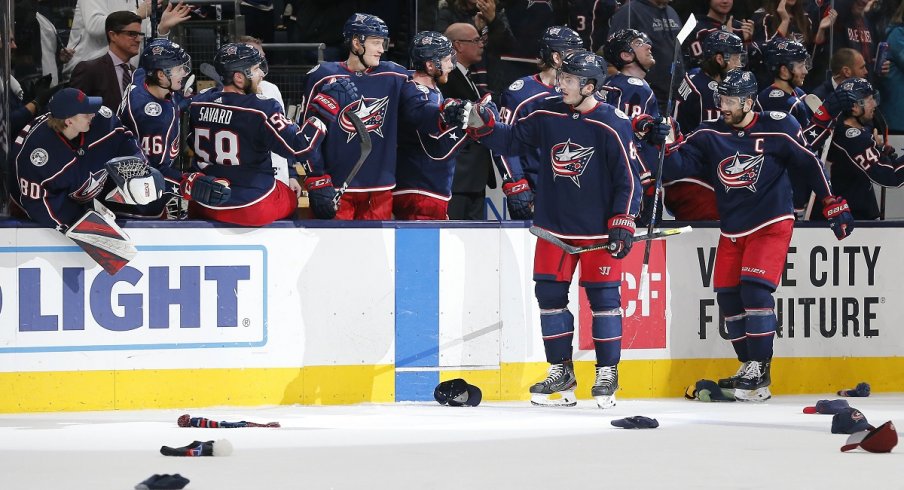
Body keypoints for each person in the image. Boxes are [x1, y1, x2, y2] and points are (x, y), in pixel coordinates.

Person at [654, 70, 854, 401]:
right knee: (727, 297)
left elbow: (808, 163)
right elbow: (675, 170)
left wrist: (831, 201)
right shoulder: (707, 133)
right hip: (732, 227)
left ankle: (760, 368)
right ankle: (750, 368)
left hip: (771, 221)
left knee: (755, 292)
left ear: (749, 101)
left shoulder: (779, 125)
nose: (724, 107)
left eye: (731, 101)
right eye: (721, 100)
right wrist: (665, 142)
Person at [467, 50, 642, 409]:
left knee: (604, 301)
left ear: (590, 85)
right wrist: (484, 125)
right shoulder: (546, 112)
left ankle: (607, 371)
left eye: (570, 80)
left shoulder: (613, 123)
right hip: (553, 228)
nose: (561, 84)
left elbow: (629, 179)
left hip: (596, 234)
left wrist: (623, 220)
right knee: (549, 298)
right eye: (561, 77)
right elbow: (512, 140)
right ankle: (560, 372)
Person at [301, 13, 449, 220]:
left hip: (380, 189)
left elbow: (421, 105)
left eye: (383, 43)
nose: (382, 49)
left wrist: (446, 111)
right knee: (333, 252)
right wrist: (317, 178)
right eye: (376, 42)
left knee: (375, 253)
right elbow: (305, 137)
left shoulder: (395, 75)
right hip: (336, 188)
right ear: (356, 42)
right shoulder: (322, 76)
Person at [188, 43, 351, 226]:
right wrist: (324, 110)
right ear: (239, 78)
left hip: (203, 203)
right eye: (256, 69)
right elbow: (301, 147)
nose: (261, 74)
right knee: (291, 197)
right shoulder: (261, 108)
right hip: (251, 205)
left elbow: (190, 142)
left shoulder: (198, 101)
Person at [118, 38, 231, 219]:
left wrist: (191, 97)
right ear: (161, 75)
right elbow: (150, 171)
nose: (184, 73)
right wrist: (190, 183)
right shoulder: (153, 119)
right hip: (139, 203)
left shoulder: (141, 76)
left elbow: (170, 101)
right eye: (179, 69)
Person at [9, 87, 146, 230]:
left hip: (93, 196)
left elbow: (124, 139)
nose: (93, 114)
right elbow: (38, 203)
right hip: (35, 219)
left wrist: (139, 166)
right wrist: (81, 224)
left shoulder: (101, 121)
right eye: (86, 113)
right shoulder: (37, 156)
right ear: (69, 121)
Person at [493, 25, 585, 220]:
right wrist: (516, 183)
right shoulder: (521, 93)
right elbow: (503, 141)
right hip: (537, 193)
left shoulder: (585, 91)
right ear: (556, 57)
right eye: (573, 52)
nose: (580, 59)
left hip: (577, 191)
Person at [668, 30, 746, 221]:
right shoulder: (711, 92)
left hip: (682, 170)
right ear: (720, 59)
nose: (739, 64)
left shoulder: (695, 77)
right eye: (735, 58)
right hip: (696, 181)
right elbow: (717, 141)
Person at [392, 31, 468, 220]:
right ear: (430, 64)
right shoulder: (414, 92)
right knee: (420, 249)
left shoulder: (429, 90)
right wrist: (454, 116)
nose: (451, 65)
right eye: (446, 59)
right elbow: (423, 115)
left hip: (427, 189)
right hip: (420, 190)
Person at [824, 78, 904, 219]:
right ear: (854, 106)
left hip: (850, 212)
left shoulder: (844, 130)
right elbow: (889, 177)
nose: (874, 104)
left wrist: (880, 151)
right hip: (851, 218)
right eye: (869, 100)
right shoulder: (855, 139)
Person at [443, 22, 497, 219]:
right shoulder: (446, 78)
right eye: (475, 40)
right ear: (458, 45)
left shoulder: (467, 76)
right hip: (458, 179)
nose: (481, 44)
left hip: (473, 178)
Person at [64, 0, 192, 81]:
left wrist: (162, 29)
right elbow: (95, 27)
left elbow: (143, 40)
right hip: (90, 74)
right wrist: (136, 14)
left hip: (127, 74)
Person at [608, 0, 684, 115]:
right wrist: (629, 88)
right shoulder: (629, 11)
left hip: (674, 95)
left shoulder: (671, 11)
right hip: (642, 95)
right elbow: (612, 54)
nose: (648, 46)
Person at [69, 10, 145, 111]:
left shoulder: (138, 75)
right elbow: (73, 111)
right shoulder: (89, 70)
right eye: (132, 34)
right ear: (113, 35)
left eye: (140, 34)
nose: (138, 39)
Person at [681, 0, 754, 72]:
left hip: (740, 82)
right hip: (710, 83)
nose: (725, 1)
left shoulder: (741, 27)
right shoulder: (697, 30)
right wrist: (728, 42)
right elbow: (701, 68)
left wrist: (748, 42)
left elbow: (752, 67)